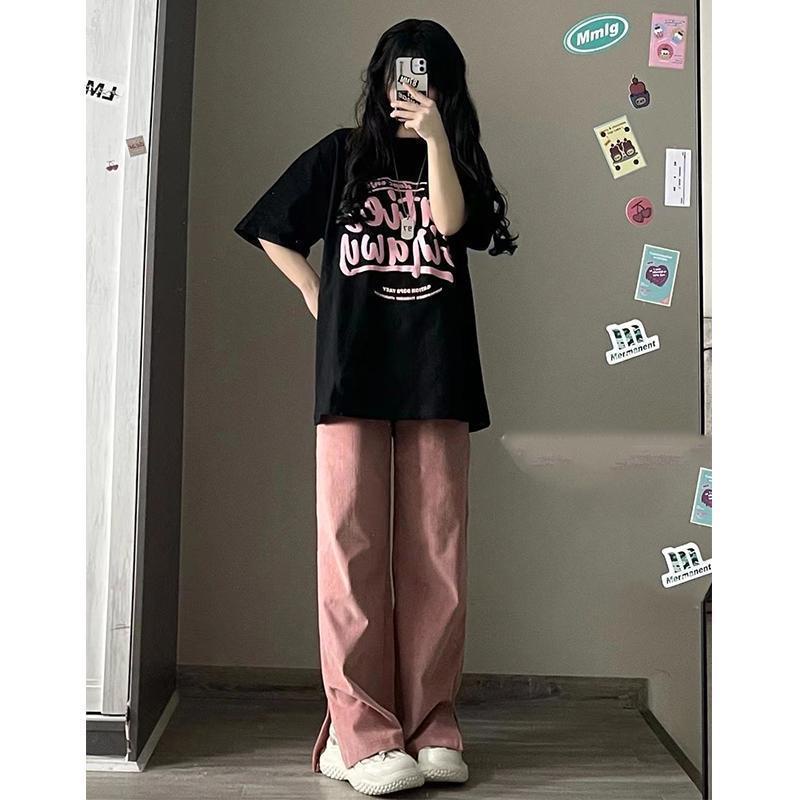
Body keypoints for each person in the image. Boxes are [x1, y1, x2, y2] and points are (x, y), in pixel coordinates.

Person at [234, 18, 516, 797]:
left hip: (437, 372)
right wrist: (315, 292)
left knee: (437, 554)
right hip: (354, 371)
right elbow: (270, 228)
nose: (410, 86)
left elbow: (453, 225)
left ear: (444, 85)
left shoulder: (455, 158)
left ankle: (432, 726)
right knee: (350, 549)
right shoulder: (341, 155)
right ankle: (357, 730)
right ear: (381, 77)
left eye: (426, 75)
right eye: (400, 72)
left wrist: (436, 142)